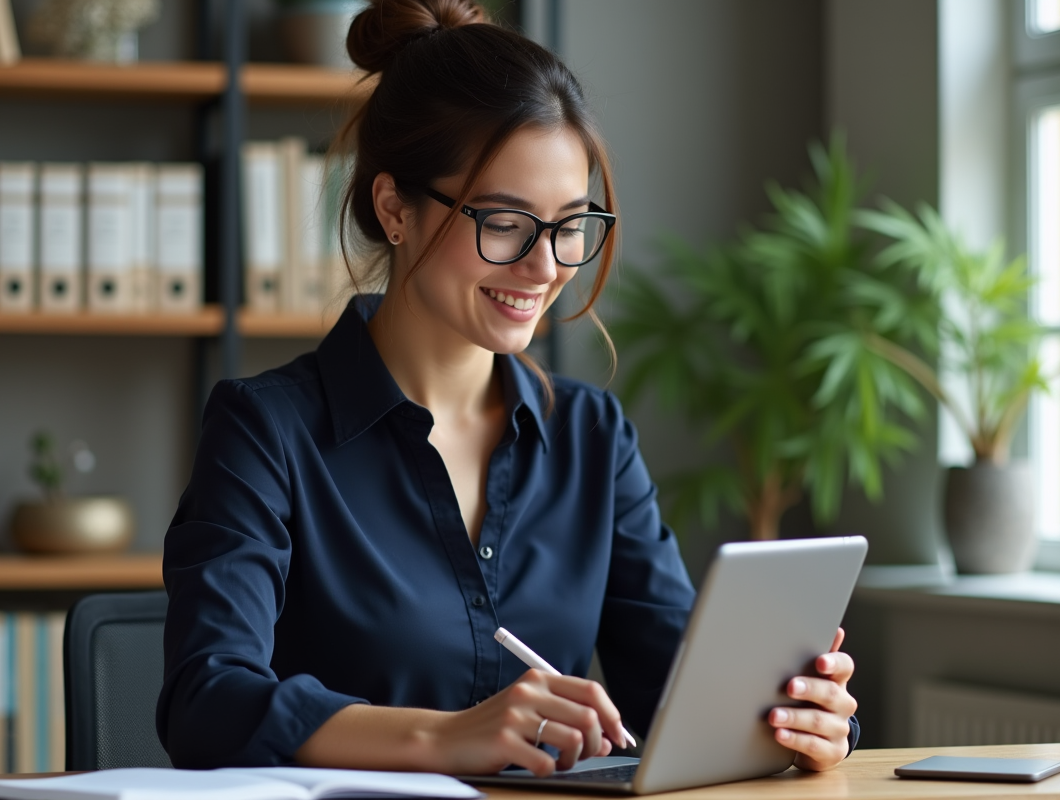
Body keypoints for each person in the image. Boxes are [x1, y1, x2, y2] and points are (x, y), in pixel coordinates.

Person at [156, 0, 859, 778]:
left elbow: (675, 695)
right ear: (394, 209)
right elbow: (206, 702)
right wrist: (443, 738)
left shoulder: (592, 438)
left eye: (570, 225)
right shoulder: (265, 431)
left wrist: (796, 719)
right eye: (503, 222)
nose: (545, 266)